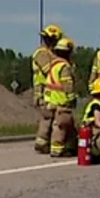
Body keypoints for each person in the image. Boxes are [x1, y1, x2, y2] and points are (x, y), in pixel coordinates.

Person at [42, 37, 78, 157]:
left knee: (67, 125)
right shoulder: (64, 66)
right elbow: (67, 84)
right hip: (61, 101)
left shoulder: (53, 64)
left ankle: (70, 147)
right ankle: (57, 149)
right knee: (61, 126)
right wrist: (72, 98)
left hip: (50, 99)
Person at [32, 24, 63, 152]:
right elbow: (49, 70)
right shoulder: (42, 53)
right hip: (43, 92)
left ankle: (48, 142)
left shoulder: (50, 53)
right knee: (48, 118)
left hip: (51, 92)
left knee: (53, 118)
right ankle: (42, 142)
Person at [82, 75, 100, 161]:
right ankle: (99, 152)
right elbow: (98, 122)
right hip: (91, 128)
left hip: (88, 129)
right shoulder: (97, 104)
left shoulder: (96, 102)